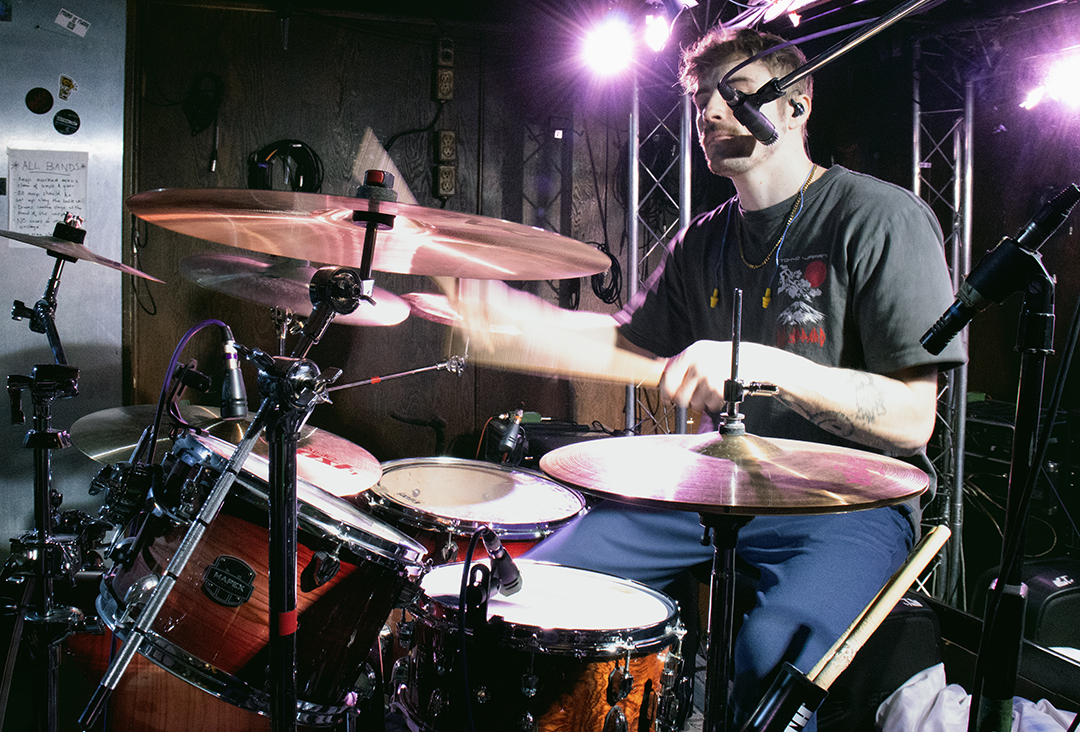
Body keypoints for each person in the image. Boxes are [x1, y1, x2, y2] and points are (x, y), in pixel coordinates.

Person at [455, 25, 966, 732]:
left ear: (795, 105)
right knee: (531, 593)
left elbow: (914, 420)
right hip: (711, 489)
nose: (712, 115)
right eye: (700, 102)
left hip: (843, 509)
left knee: (771, 656)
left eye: (737, 94)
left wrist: (771, 369)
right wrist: (521, 321)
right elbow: (624, 345)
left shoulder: (879, 217)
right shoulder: (704, 238)